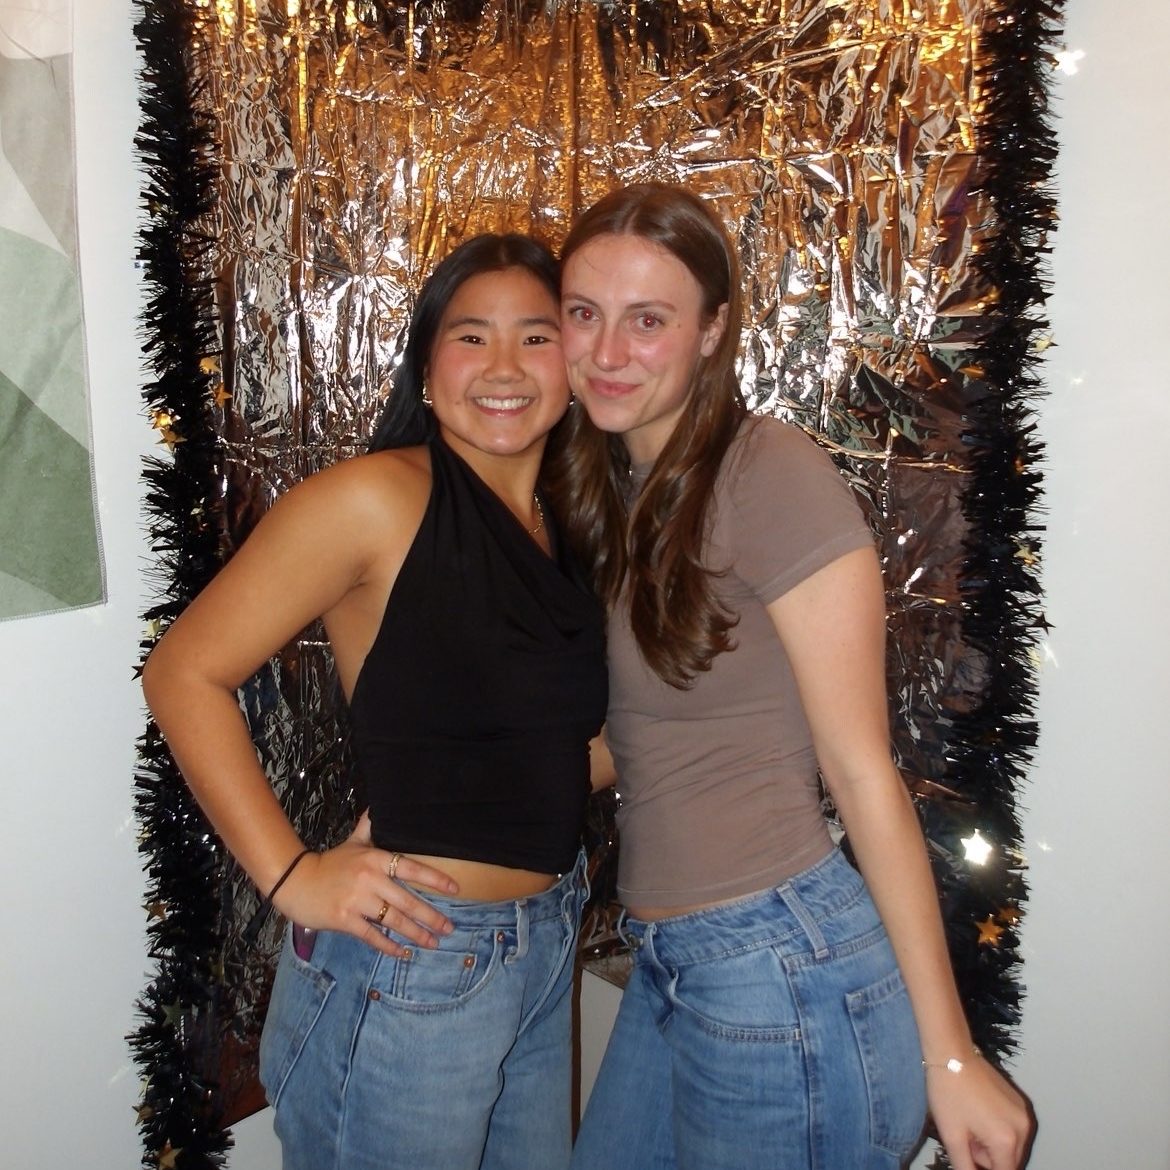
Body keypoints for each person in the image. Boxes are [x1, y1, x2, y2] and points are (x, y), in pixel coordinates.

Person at [544, 183, 1034, 1170]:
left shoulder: (769, 475)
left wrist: (951, 1057)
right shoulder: (615, 487)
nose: (605, 353)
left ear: (713, 330)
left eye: (648, 321)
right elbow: (639, 742)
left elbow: (862, 775)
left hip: (780, 968)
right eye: (583, 314)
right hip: (679, 963)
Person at [142, 233, 608, 1170]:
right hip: (415, 968)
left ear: (574, 364)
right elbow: (182, 673)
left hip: (546, 941)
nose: (505, 366)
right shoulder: (373, 500)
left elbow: (558, 749)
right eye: (472, 337)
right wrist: (291, 876)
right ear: (428, 370)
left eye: (537, 335)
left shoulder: (570, 522)